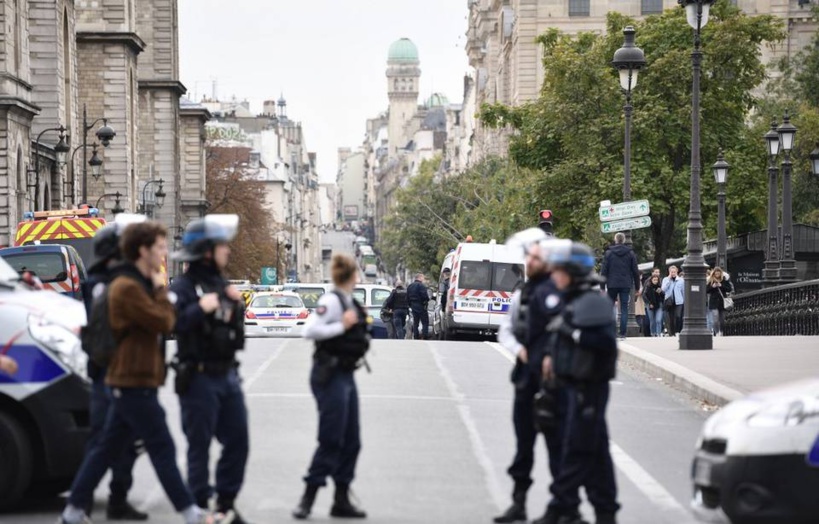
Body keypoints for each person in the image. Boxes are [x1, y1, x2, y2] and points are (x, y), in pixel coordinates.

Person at [59, 221, 206, 524]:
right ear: (142, 250)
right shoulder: (127, 287)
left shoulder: (134, 283)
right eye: (160, 247)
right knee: (162, 448)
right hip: (132, 382)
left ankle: (72, 512)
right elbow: (165, 322)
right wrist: (160, 289)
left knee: (104, 449)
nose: (164, 254)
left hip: (131, 381)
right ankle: (192, 513)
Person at [170, 215, 251, 523]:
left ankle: (225, 504)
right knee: (199, 446)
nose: (227, 250)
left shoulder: (220, 284)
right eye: (221, 246)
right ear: (206, 251)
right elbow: (172, 323)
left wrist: (236, 305)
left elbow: (231, 328)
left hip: (227, 374)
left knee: (238, 440)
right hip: (198, 377)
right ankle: (200, 506)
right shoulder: (183, 286)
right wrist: (198, 309)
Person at [495, 231, 577, 524]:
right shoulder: (523, 293)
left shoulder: (561, 291)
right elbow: (505, 330)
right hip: (525, 380)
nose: (529, 262)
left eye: (535, 258)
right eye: (528, 256)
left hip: (554, 383)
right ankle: (518, 503)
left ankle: (565, 507)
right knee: (523, 446)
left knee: (558, 446)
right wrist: (520, 351)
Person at [542, 241, 620, 524]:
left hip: (588, 388)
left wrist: (572, 334)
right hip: (573, 387)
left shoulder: (592, 302)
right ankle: (605, 511)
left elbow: (604, 344)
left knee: (577, 450)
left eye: (559, 271)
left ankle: (559, 506)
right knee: (596, 453)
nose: (554, 275)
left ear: (572, 273)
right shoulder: (574, 299)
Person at [293, 253, 370, 520]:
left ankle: (341, 498)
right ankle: (308, 497)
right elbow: (309, 331)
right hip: (329, 375)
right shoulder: (332, 301)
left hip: (346, 374)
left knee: (352, 440)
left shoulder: (350, 300)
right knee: (331, 439)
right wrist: (341, 325)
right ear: (352, 275)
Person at [79, 219, 147, 521]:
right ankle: (81, 502)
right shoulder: (98, 284)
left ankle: (118, 498)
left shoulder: (128, 280)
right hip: (105, 372)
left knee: (129, 441)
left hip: (129, 372)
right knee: (100, 441)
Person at [600, 232, 640, 340]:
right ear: (624, 240)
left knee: (610, 307)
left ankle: (612, 331)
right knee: (624, 308)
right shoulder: (630, 253)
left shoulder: (609, 253)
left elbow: (603, 271)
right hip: (625, 283)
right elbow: (635, 271)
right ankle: (622, 333)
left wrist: (602, 287)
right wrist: (637, 287)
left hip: (612, 283)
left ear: (615, 240)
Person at [706, 267, 734, 336]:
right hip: (714, 302)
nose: (717, 274)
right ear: (714, 273)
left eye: (718, 272)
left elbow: (729, 289)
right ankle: (717, 332)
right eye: (716, 273)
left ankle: (721, 331)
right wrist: (712, 287)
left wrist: (721, 285)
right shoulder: (711, 280)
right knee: (715, 318)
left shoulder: (724, 280)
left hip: (722, 302)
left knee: (722, 319)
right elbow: (707, 290)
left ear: (720, 273)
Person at [661, 266, 685, 336]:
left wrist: (684, 301)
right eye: (671, 272)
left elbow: (683, 291)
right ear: (669, 272)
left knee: (678, 316)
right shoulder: (666, 279)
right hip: (670, 301)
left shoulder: (681, 280)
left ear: (677, 272)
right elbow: (663, 289)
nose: (673, 273)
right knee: (671, 318)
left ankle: (678, 331)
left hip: (679, 301)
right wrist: (669, 280)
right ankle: (672, 332)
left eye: (674, 272)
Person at [407, 273, 430, 340]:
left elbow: (407, 297)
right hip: (421, 305)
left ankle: (416, 335)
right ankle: (424, 335)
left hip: (413, 305)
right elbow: (424, 296)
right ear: (419, 277)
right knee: (425, 321)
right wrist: (426, 300)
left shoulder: (410, 286)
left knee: (415, 322)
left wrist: (410, 305)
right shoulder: (421, 286)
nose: (423, 279)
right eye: (423, 277)